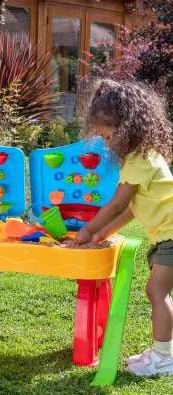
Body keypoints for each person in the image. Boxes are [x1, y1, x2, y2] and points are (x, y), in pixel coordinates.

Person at [74, 79, 173, 376]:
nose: (107, 143)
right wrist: (101, 235)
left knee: (157, 293)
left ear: (127, 127)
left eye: (108, 137)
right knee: (158, 292)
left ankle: (165, 357)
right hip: (166, 236)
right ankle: (163, 351)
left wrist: (88, 231)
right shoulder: (141, 156)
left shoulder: (139, 160)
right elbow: (131, 209)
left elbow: (116, 205)